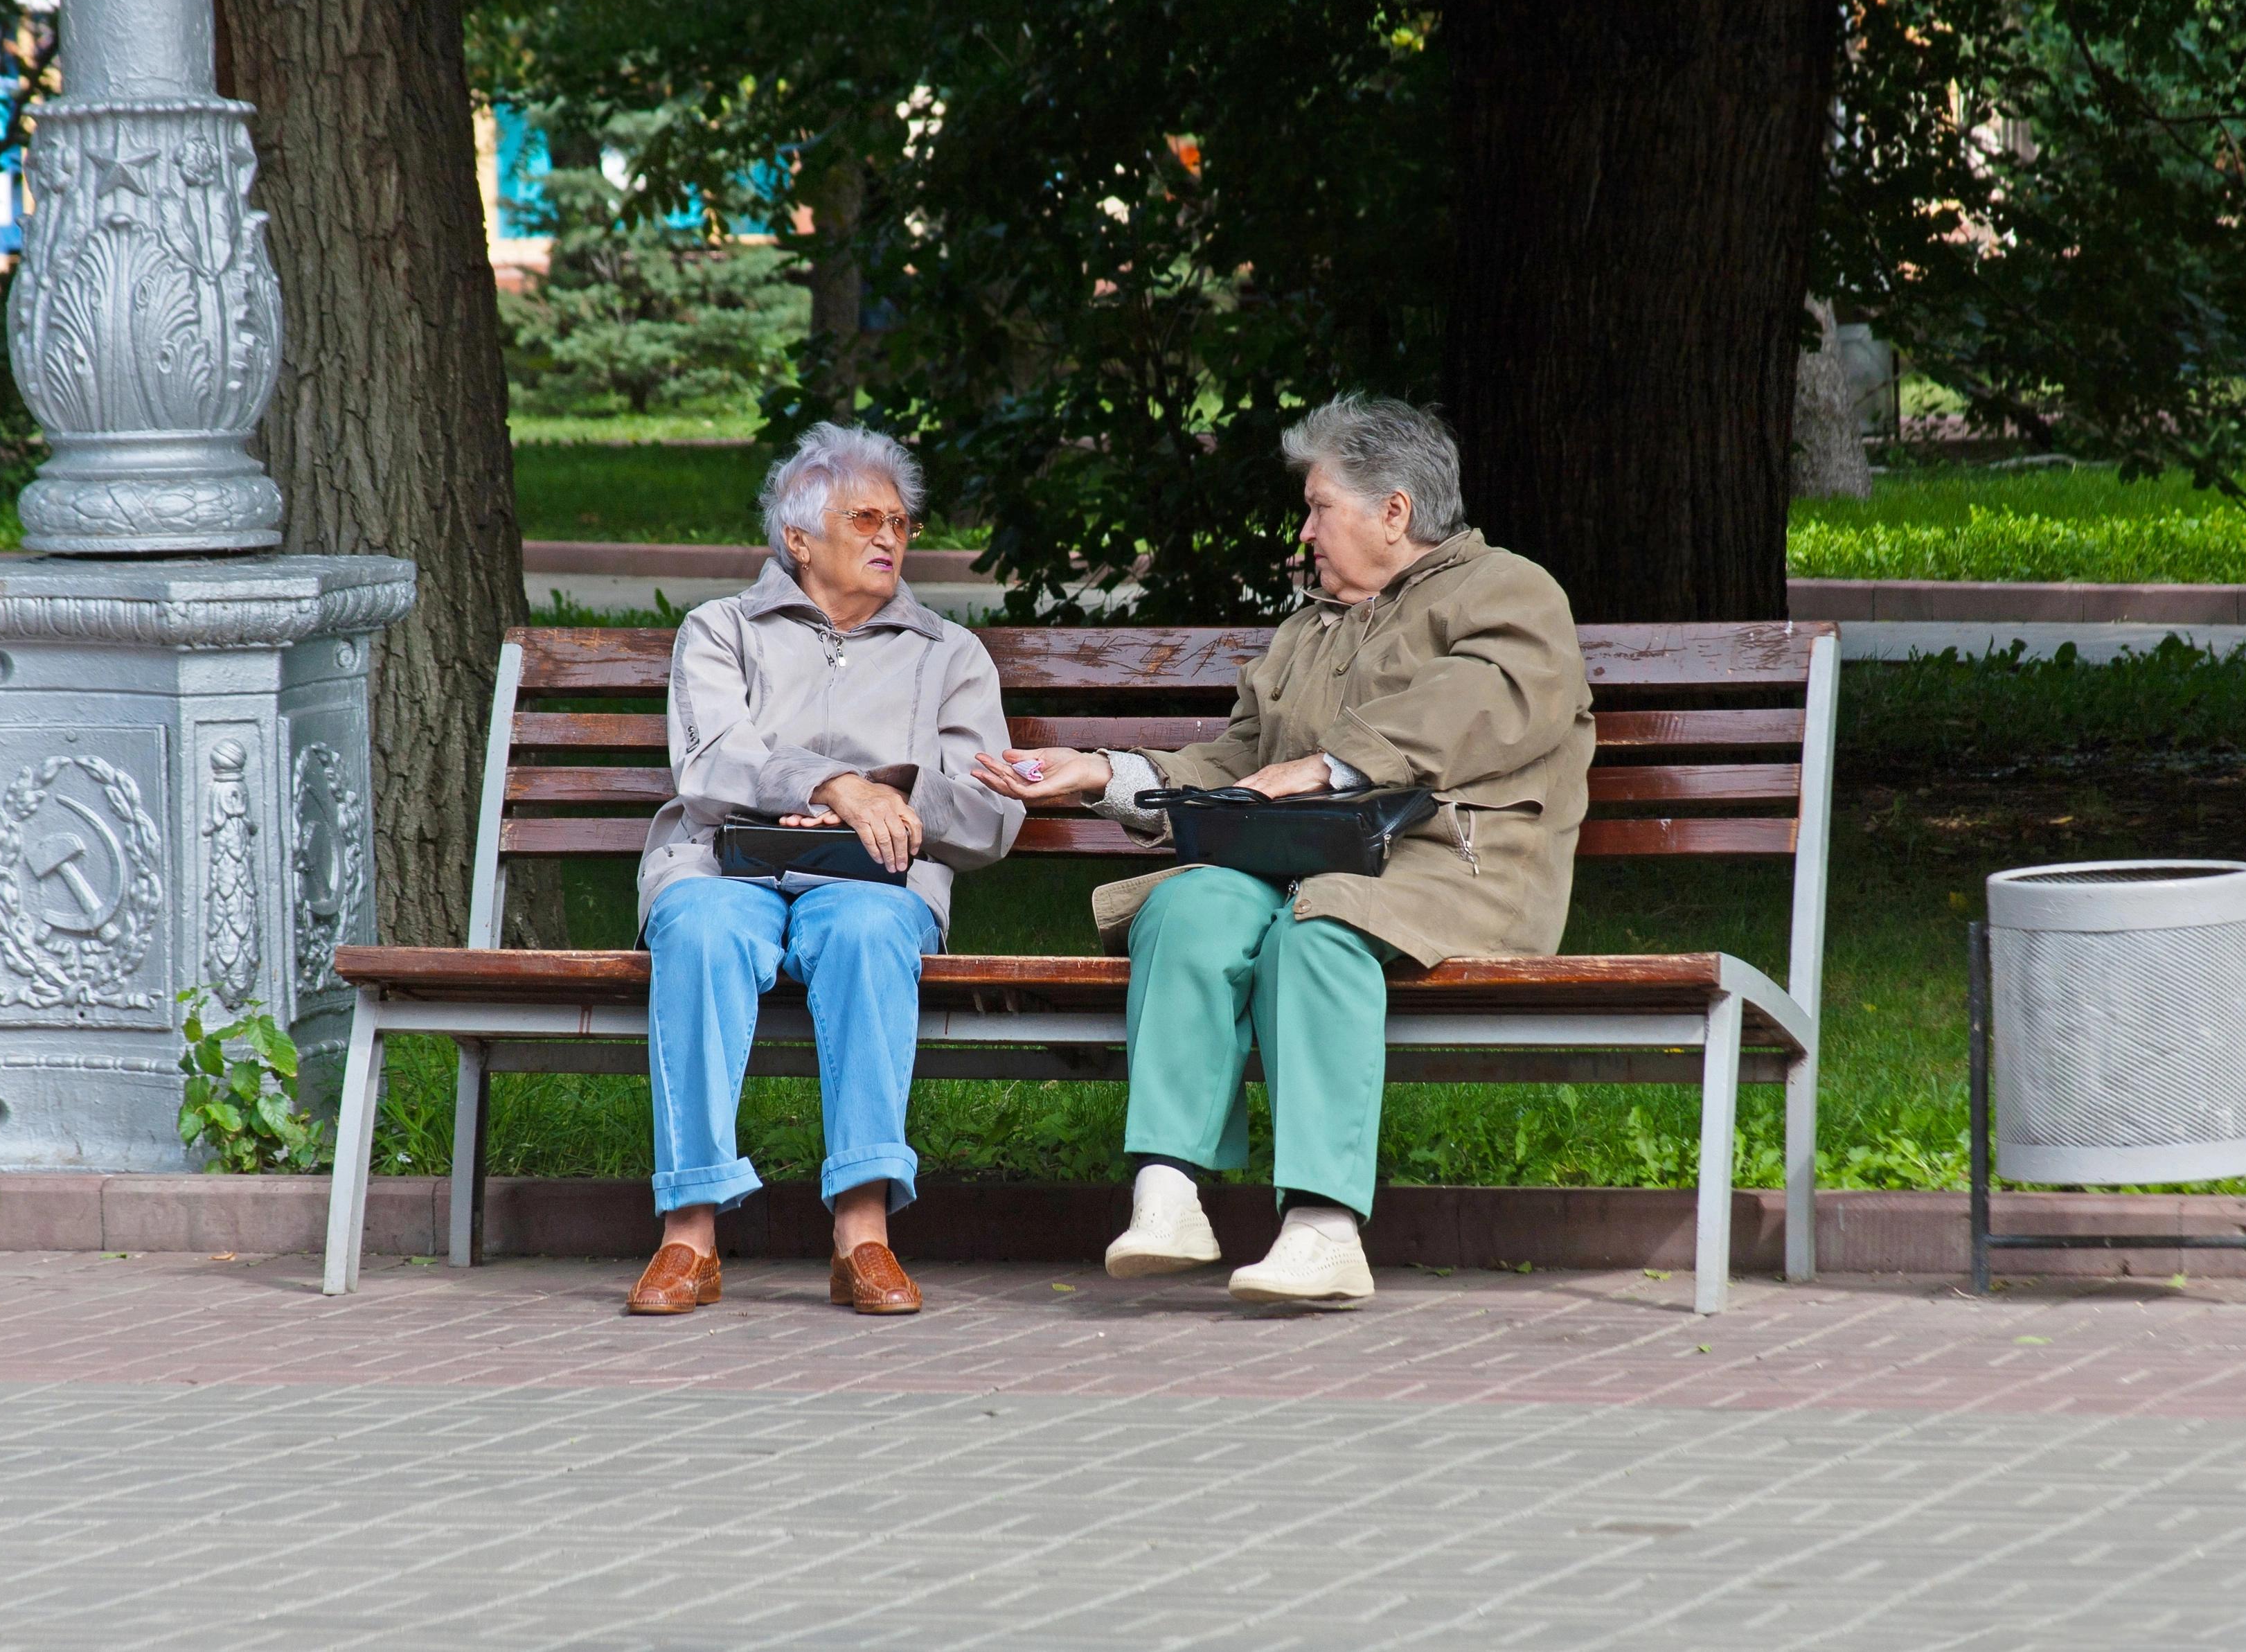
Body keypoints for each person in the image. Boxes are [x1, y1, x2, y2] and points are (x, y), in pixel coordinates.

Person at [973, 394, 1593, 1304]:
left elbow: (1470, 710)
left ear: (1395, 512)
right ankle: (1168, 1188)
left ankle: (1322, 1225)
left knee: (1320, 927)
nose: (1303, 531)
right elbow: (1237, 764)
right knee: (1187, 904)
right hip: (1308, 859)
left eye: (1319, 507)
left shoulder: (1505, 591)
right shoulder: (1309, 628)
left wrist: (1323, 768)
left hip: (1457, 867)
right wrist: (1098, 775)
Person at [626, 422, 1024, 1318]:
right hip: (726, 866)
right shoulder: (720, 631)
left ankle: (863, 1230)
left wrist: (892, 803)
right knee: (698, 930)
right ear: (798, 539)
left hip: (874, 881)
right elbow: (710, 765)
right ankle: (687, 1233)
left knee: (865, 932)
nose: (890, 537)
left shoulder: (947, 656)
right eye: (865, 518)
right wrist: (827, 785)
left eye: (901, 522)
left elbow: (994, 817)